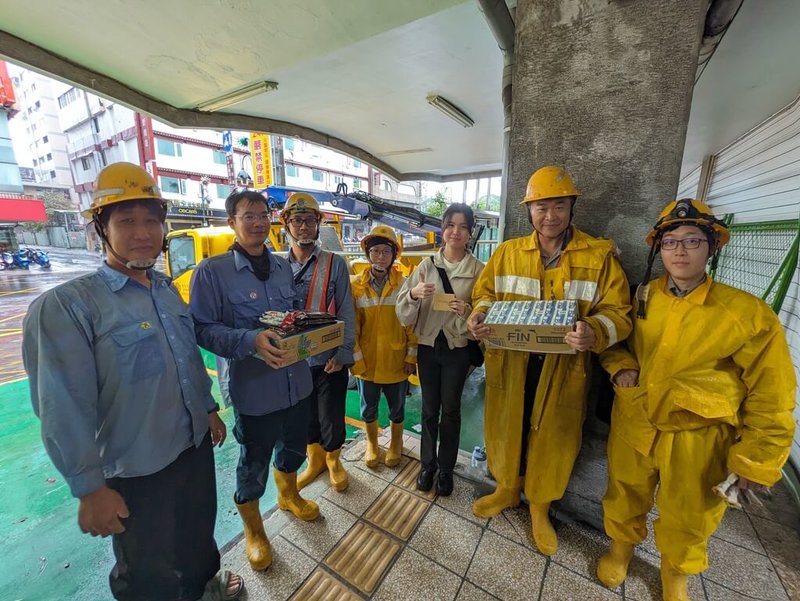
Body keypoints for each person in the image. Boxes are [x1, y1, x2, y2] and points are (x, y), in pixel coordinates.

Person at [22, 162, 242, 601]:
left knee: (199, 537)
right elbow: (62, 407)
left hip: (192, 447)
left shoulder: (164, 290)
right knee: (146, 571)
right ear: (101, 229)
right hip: (136, 468)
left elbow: (186, 361)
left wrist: (209, 409)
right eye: (127, 221)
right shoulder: (68, 307)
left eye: (152, 221)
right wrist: (89, 488)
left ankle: (205, 588)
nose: (143, 232)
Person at [596, 199, 796, 600]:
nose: (680, 251)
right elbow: (615, 342)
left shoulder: (746, 314)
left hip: (699, 436)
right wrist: (620, 366)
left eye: (692, 240)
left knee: (690, 514)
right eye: (670, 242)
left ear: (712, 247)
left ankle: (676, 574)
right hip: (637, 418)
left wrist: (758, 457)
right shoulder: (641, 298)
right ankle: (620, 551)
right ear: (659, 249)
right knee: (624, 493)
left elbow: (772, 392)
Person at [467, 165, 631, 555]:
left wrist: (594, 330)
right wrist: (480, 314)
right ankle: (507, 491)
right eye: (541, 207)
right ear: (529, 211)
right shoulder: (508, 253)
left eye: (558, 206)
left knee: (553, 442)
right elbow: (485, 293)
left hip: (564, 369)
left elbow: (620, 313)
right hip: (511, 363)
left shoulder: (598, 256)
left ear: (572, 208)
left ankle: (540, 509)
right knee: (507, 430)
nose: (550, 216)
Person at [190, 190, 320, 573]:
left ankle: (289, 496)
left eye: (263, 214)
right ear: (232, 222)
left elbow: (291, 315)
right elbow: (201, 330)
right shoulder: (211, 272)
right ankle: (255, 531)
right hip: (255, 391)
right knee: (253, 464)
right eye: (249, 215)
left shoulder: (282, 267)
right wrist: (249, 341)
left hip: (297, 382)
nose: (258, 222)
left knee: (293, 449)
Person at [396, 203, 484, 496]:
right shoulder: (425, 267)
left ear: (470, 233)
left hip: (457, 348)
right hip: (428, 347)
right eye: (450, 225)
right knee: (429, 408)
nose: (455, 232)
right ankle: (427, 465)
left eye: (462, 226)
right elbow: (402, 313)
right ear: (442, 230)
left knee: (452, 410)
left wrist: (468, 309)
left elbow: (486, 311)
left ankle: (446, 470)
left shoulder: (479, 271)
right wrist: (413, 294)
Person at [281, 193, 356, 492]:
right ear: (286, 224)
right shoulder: (276, 266)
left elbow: (347, 309)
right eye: (296, 220)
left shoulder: (335, 264)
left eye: (309, 220)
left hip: (329, 358)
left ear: (318, 224)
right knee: (306, 415)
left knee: (332, 414)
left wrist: (343, 351)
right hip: (295, 361)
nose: (303, 227)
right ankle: (315, 461)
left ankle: (334, 461)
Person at [350, 225, 417, 468]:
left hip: (396, 359)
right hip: (366, 361)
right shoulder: (355, 285)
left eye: (385, 252)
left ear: (394, 255)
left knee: (396, 407)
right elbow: (352, 327)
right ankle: (372, 444)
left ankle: (396, 443)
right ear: (368, 254)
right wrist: (355, 360)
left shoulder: (405, 285)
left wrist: (411, 357)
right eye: (375, 251)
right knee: (368, 408)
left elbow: (412, 324)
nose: (380, 257)